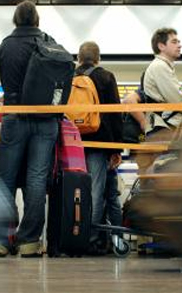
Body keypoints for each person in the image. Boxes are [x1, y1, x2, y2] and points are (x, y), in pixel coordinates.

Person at [0, 0, 60, 257]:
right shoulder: (48, 42)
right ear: (37, 19)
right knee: (36, 179)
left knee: (5, 178)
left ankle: (1, 238)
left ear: (15, 19)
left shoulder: (6, 45)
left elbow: (5, 80)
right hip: (45, 120)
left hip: (14, 116)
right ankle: (30, 241)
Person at [74, 42, 123, 254]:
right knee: (95, 192)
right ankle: (91, 240)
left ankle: (72, 236)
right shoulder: (106, 77)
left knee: (73, 192)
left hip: (71, 142)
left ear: (78, 58)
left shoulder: (69, 76)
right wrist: (116, 148)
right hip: (99, 142)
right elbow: (115, 115)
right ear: (98, 58)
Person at [133, 28, 182, 174]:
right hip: (164, 131)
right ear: (161, 46)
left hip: (163, 129)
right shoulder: (160, 67)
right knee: (164, 176)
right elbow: (180, 101)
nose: (179, 45)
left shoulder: (162, 67)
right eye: (174, 41)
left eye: (179, 42)